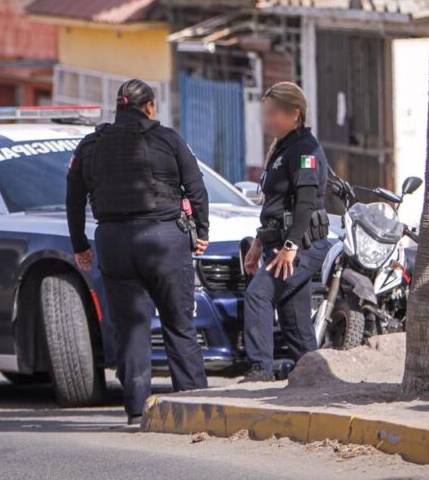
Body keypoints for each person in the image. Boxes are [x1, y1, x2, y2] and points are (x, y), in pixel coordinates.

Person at [66, 79, 209, 424]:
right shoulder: (168, 139)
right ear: (148, 107)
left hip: (114, 242)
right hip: (164, 241)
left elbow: (72, 198)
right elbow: (196, 188)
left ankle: (136, 410)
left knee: (131, 328)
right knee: (178, 325)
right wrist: (201, 232)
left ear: (118, 109)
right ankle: (195, 406)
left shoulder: (91, 145)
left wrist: (80, 245)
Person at [241, 82, 330, 382]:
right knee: (294, 321)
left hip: (301, 247)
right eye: (266, 114)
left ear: (295, 114)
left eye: (275, 114)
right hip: (280, 245)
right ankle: (318, 378)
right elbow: (275, 205)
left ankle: (260, 370)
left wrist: (290, 247)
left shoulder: (305, 150)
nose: (269, 121)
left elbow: (305, 202)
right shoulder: (282, 147)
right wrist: (258, 243)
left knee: (258, 294)